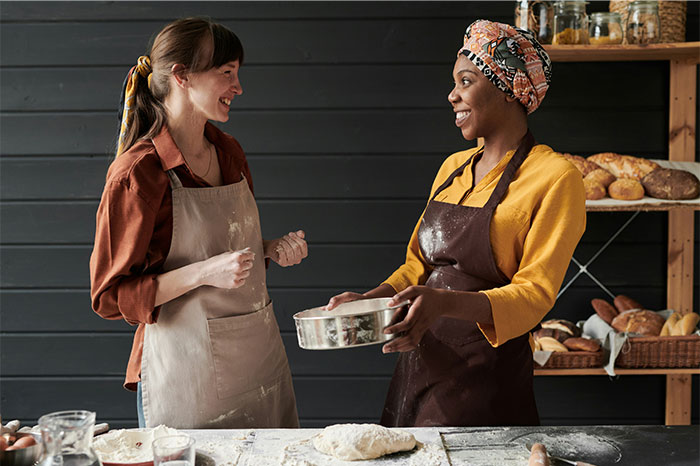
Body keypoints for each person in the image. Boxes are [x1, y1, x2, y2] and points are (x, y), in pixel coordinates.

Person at [327, 20, 586, 427]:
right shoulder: (453, 167)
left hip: (488, 377)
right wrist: (371, 299)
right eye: (454, 83)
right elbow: (418, 266)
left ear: (509, 89)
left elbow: (535, 296)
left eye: (465, 81)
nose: (452, 95)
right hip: (422, 362)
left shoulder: (555, 177)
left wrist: (444, 304)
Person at [90, 17, 307, 429]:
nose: (238, 87)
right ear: (182, 76)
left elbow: (223, 244)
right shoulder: (138, 173)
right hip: (186, 379)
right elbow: (109, 296)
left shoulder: (229, 152)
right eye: (227, 73)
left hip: (260, 365)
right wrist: (204, 273)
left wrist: (268, 247)